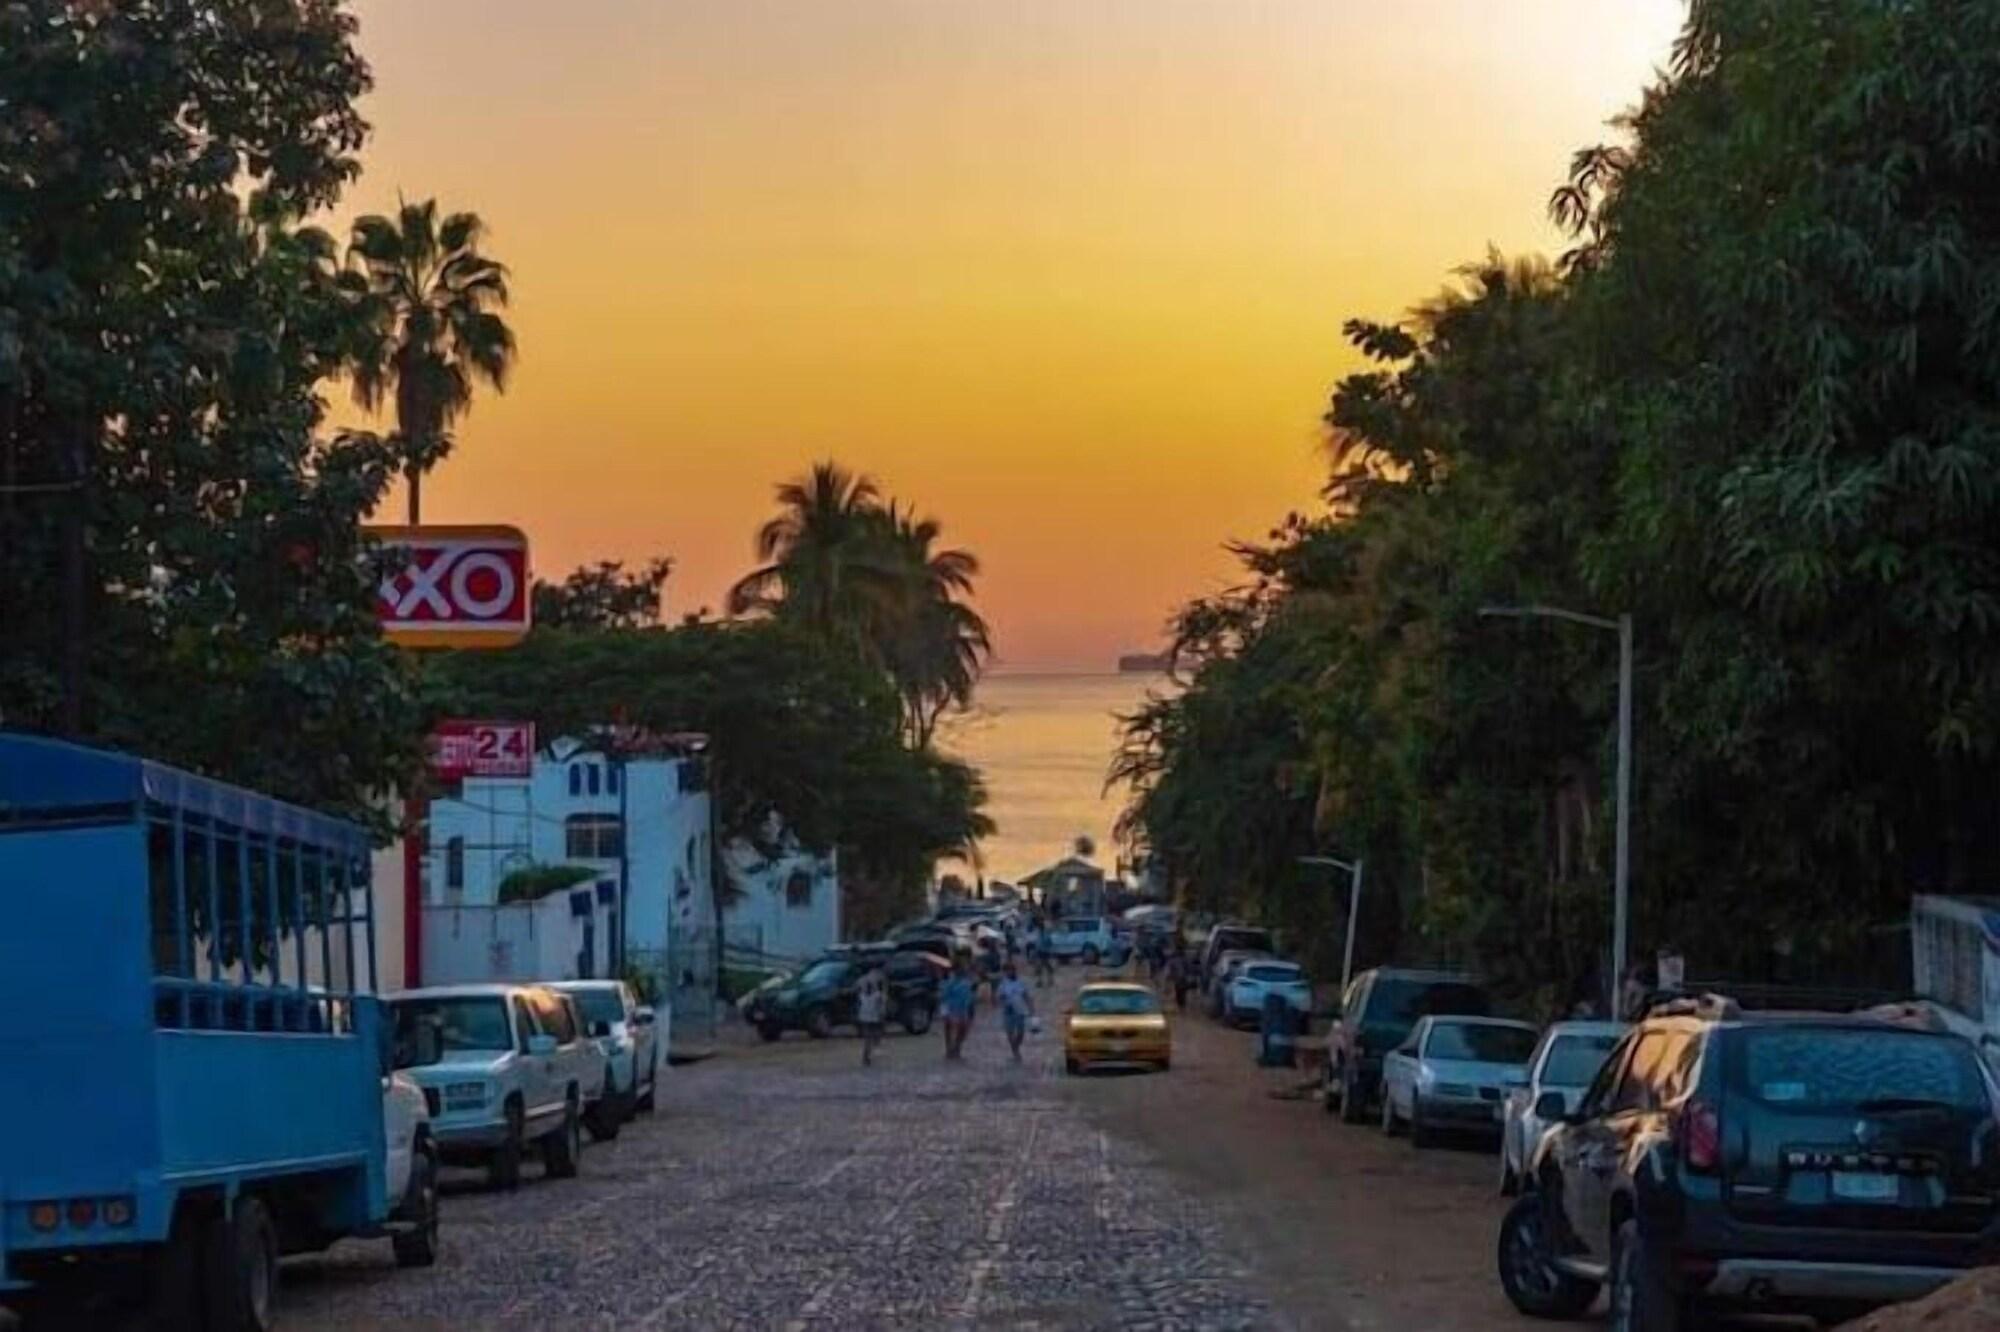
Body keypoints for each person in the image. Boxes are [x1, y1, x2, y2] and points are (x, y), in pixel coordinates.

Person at [995, 963, 1034, 1062]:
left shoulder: (1020, 983)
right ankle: (1015, 1052)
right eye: (1007, 971)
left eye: (1011, 970)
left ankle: (1016, 1047)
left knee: (1021, 1033)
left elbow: (1026, 996)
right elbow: (998, 997)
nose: (1009, 973)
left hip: (1020, 1011)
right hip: (1008, 1011)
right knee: (1010, 1033)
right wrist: (1002, 1000)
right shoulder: (1003, 984)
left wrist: (1031, 1009)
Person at [939, 963, 976, 1060]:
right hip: (952, 1010)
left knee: (962, 1031)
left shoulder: (967, 983)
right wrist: (945, 1012)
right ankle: (950, 1050)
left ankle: (956, 1048)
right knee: (950, 1029)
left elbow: (970, 997)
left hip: (963, 1010)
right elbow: (943, 997)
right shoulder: (950, 983)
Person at [856, 963, 888, 1067]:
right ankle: (871, 1054)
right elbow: (881, 1003)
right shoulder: (877, 995)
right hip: (873, 1017)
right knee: (874, 1035)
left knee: (867, 1038)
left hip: (864, 1017)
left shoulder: (863, 996)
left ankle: (867, 1056)